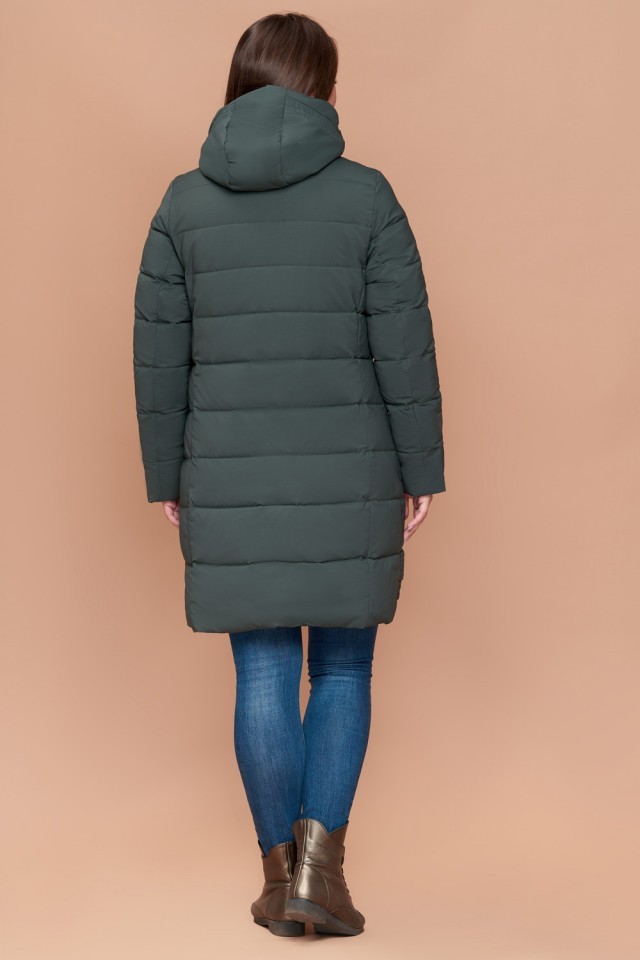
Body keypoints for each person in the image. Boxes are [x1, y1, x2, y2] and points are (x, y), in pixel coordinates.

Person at [133, 12, 445, 938]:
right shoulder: (369, 196)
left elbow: (159, 359)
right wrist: (421, 468)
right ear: (326, 90)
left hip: (227, 475)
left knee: (261, 666)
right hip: (355, 473)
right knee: (342, 664)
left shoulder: (182, 204)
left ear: (238, 84)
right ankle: (319, 877)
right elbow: (405, 344)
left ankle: (281, 882)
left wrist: (167, 475)